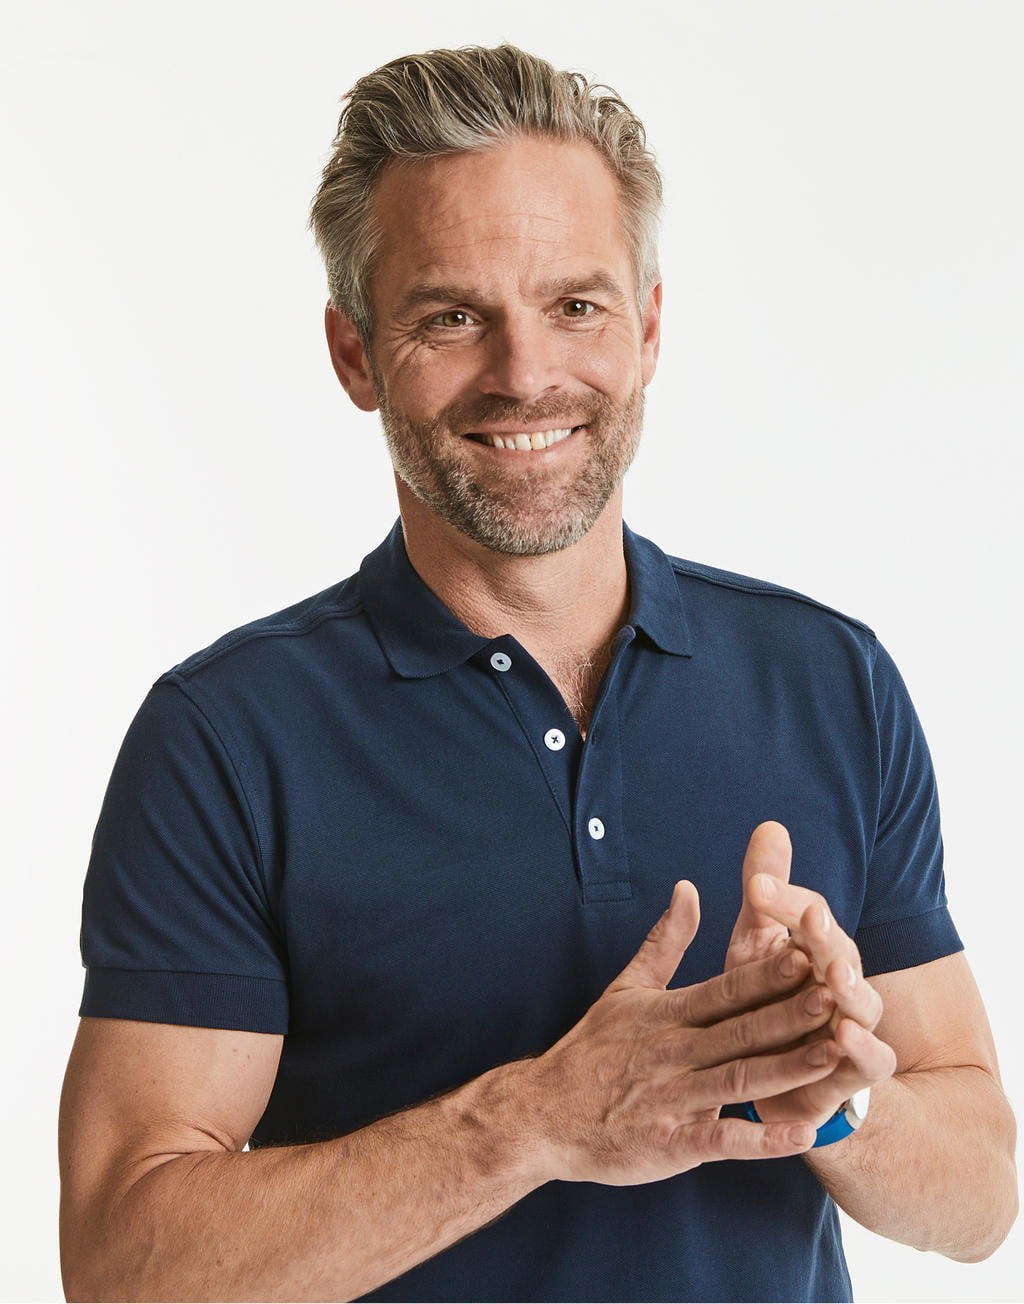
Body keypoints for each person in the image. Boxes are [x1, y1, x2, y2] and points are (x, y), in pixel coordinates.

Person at [58, 44, 1016, 1303]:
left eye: (575, 306)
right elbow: (124, 1266)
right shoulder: (226, 739)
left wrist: (823, 1095)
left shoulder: (827, 678)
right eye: (452, 317)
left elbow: (983, 1191)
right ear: (354, 353)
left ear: (648, 327)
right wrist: (534, 1120)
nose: (525, 374)